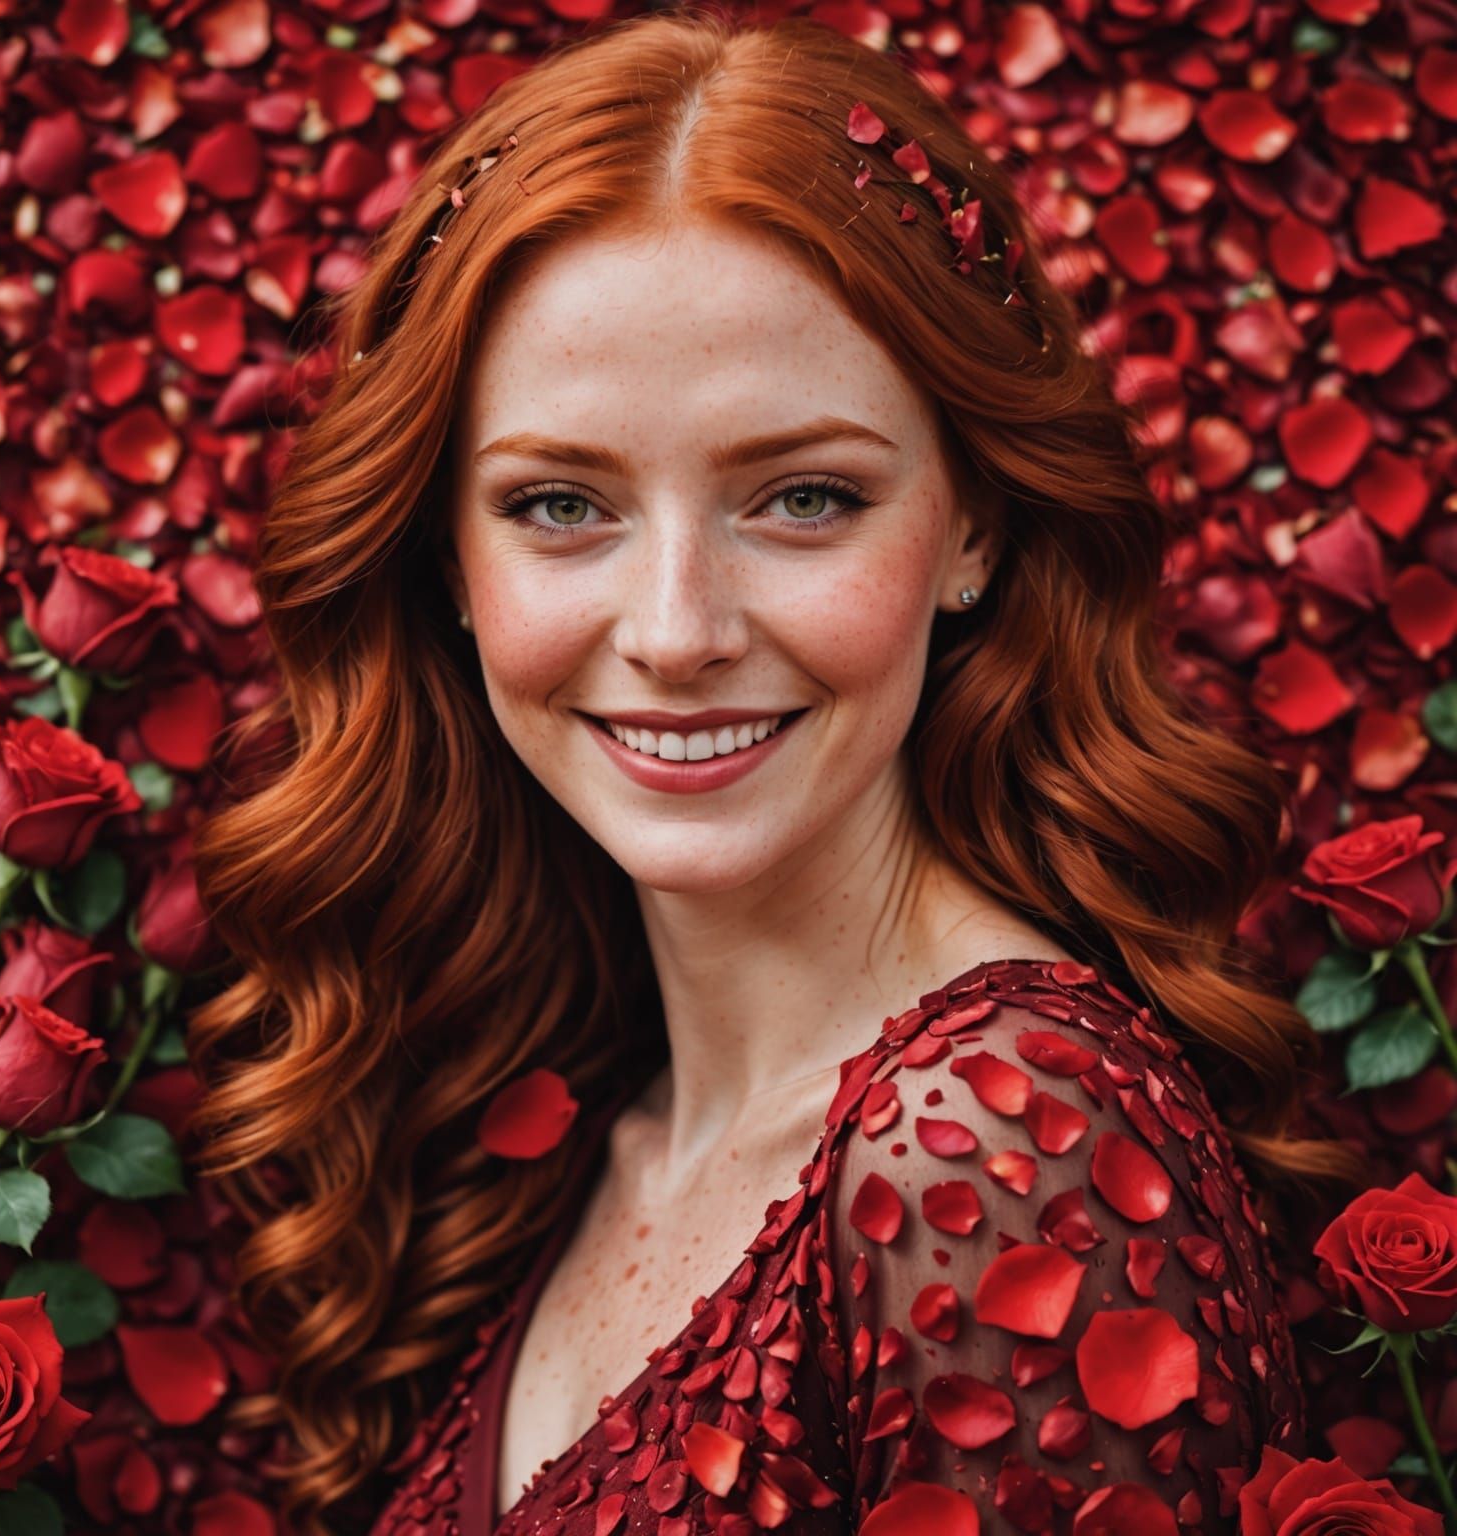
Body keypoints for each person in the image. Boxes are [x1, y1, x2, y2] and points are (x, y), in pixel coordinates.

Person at [187, 9, 1353, 1535]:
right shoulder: (588, 1121)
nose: (676, 631)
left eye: (804, 497)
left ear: (977, 530)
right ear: (447, 564)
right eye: (558, 504)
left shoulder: (1010, 1145)